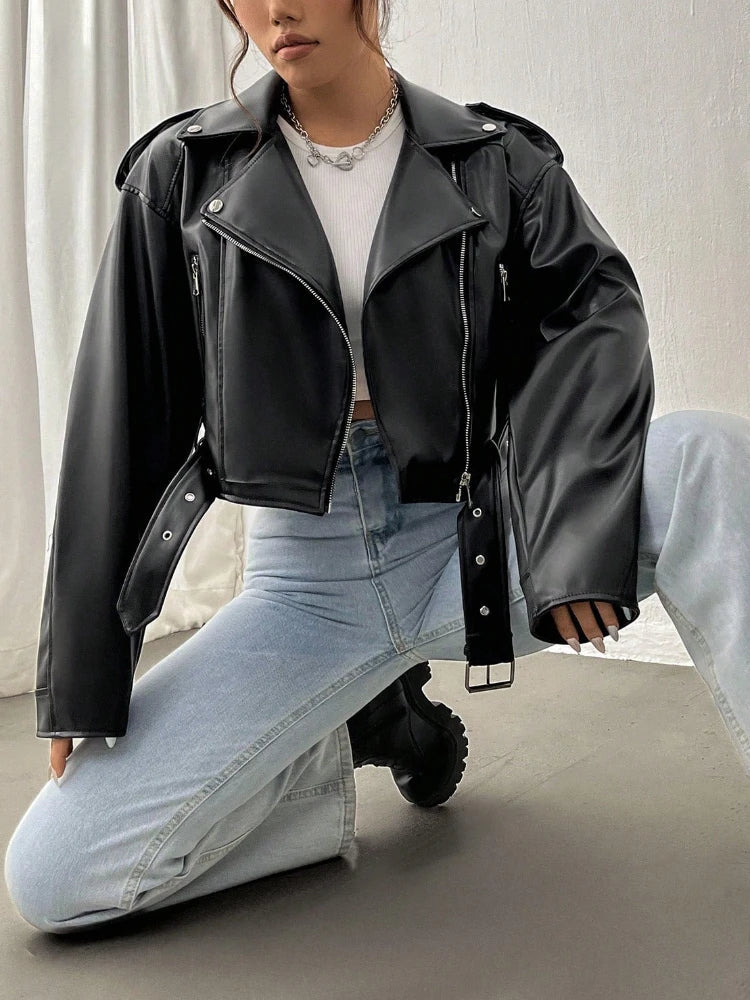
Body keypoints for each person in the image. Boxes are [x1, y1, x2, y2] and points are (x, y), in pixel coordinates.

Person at [5, 0, 750, 935]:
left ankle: (343, 712)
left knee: (709, 454)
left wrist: (572, 537)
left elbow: (593, 326)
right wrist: (83, 672)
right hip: (303, 591)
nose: (275, 9)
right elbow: (122, 414)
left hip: (474, 549)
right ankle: (342, 737)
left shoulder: (497, 161)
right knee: (53, 879)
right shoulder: (182, 173)